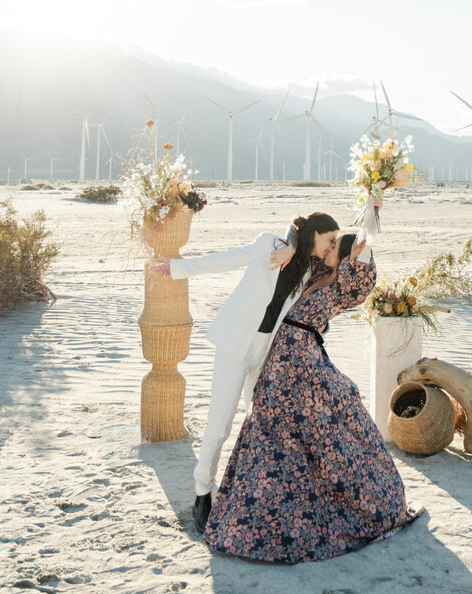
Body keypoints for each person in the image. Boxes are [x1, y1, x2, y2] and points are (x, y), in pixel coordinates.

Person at [203, 232, 424, 563]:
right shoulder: (317, 272)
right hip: (278, 360)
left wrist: (371, 213)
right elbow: (300, 237)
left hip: (304, 360)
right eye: (330, 243)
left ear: (351, 256)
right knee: (267, 427)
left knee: (322, 430)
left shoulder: (345, 285)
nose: (329, 248)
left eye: (336, 247)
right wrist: (294, 244)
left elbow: (363, 268)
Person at [147, 212, 341, 532]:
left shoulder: (310, 269)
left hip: (267, 352)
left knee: (262, 424)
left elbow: (336, 274)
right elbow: (224, 260)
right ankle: (202, 494)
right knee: (219, 425)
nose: (331, 245)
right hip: (235, 344)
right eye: (329, 239)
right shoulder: (268, 244)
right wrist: (177, 268)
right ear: (315, 233)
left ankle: (253, 492)